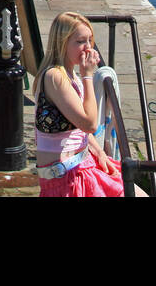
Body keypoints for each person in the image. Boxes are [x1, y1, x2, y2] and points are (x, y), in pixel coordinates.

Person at [34, 11, 127, 197]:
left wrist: (99, 151)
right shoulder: (55, 76)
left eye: (90, 40)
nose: (87, 48)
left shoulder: (71, 75)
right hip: (67, 178)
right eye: (80, 41)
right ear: (62, 43)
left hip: (82, 165)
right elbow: (90, 124)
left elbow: (79, 129)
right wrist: (87, 75)